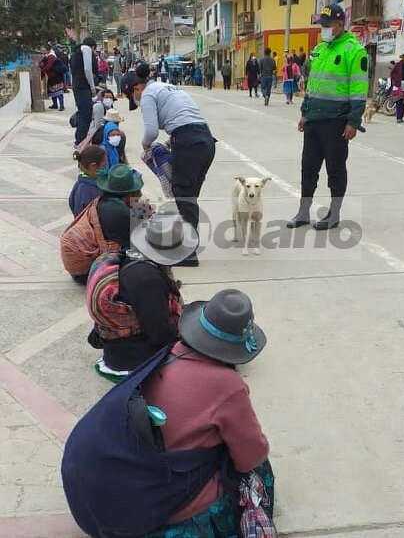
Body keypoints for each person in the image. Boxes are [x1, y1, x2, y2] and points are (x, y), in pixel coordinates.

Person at [62, 288, 274, 538]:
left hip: (89, 500)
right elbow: (250, 455)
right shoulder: (228, 385)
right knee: (255, 467)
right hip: (143, 515)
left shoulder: (167, 354)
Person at [124, 64, 216, 267]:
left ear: (136, 88)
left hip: (188, 143)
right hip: (206, 141)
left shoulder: (148, 93)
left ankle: (188, 254)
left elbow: (151, 131)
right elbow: (185, 121)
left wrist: (146, 147)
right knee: (189, 197)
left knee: (184, 195)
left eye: (133, 97)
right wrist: (168, 144)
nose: (136, 102)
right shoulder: (166, 86)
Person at [287, 3, 368, 231]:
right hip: (314, 119)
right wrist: (305, 113)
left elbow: (359, 91)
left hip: (337, 121)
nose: (323, 29)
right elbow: (313, 85)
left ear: (340, 25)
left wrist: (353, 121)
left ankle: (334, 213)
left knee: (335, 168)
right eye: (321, 25)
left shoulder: (354, 50)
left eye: (327, 25)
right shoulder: (321, 49)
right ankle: (303, 212)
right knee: (308, 168)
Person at [86, 213, 197, 379]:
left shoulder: (126, 257)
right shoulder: (147, 280)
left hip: (117, 349)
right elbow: (159, 333)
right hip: (133, 358)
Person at [61, 164, 144, 285]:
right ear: (130, 193)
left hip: (76, 269)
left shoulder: (105, 200)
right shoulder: (119, 212)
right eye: (137, 192)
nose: (139, 194)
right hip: (86, 272)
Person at [70, 37, 98, 147]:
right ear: (92, 46)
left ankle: (81, 139)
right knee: (86, 115)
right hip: (83, 87)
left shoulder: (76, 52)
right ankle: (80, 141)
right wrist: (92, 87)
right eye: (94, 49)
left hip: (77, 86)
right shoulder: (85, 49)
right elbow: (87, 69)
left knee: (83, 114)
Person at [68, 145, 107, 217]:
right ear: (93, 166)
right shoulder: (94, 189)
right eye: (104, 166)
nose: (105, 168)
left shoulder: (79, 183)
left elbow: (71, 203)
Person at [39, 44, 66, 111]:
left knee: (59, 91)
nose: (42, 51)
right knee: (52, 91)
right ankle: (55, 104)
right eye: (41, 50)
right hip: (52, 76)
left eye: (44, 50)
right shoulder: (46, 56)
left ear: (48, 50)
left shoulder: (51, 56)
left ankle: (61, 105)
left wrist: (42, 70)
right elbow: (41, 63)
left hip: (56, 76)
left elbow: (49, 66)